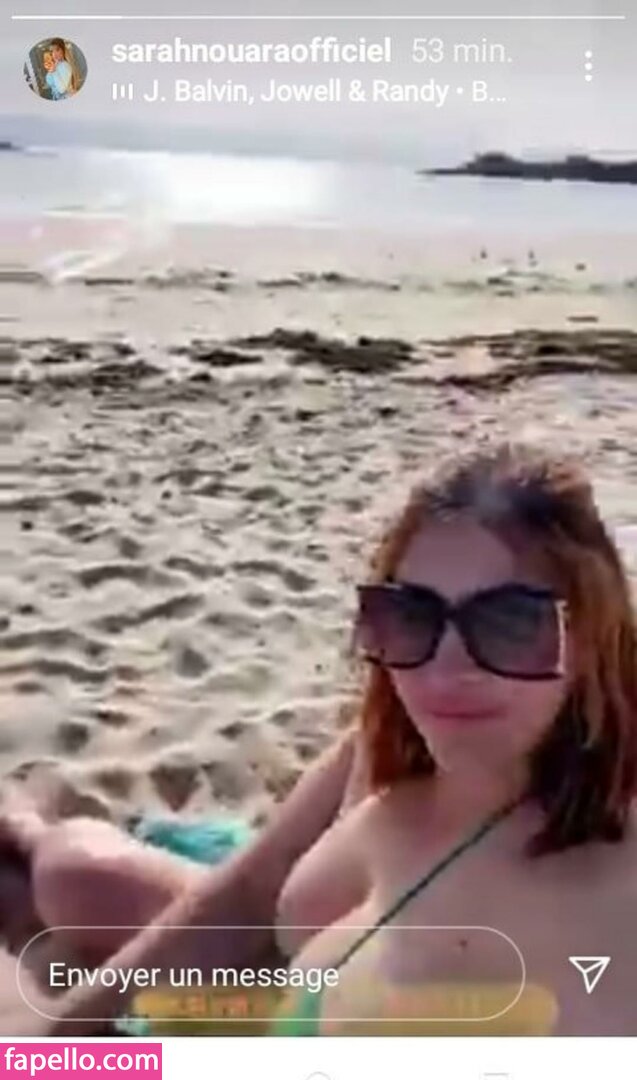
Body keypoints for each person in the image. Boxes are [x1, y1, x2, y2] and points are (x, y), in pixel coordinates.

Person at [2, 441, 636, 1035]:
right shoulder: (392, 742)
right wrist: (52, 1046)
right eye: (408, 616)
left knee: (51, 898)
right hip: (291, 976)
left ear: (592, 635)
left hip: (287, 1011)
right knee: (74, 870)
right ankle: (24, 828)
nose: (442, 671)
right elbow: (249, 890)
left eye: (510, 623)